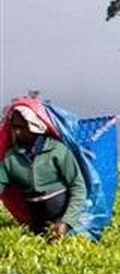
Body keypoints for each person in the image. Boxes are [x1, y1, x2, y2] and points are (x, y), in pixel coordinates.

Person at [0, 103, 86, 241]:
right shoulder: (11, 158)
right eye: (15, 127)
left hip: (66, 221)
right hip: (36, 223)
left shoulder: (57, 151)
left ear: (35, 126)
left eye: (22, 127)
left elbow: (78, 187)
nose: (17, 132)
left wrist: (66, 222)